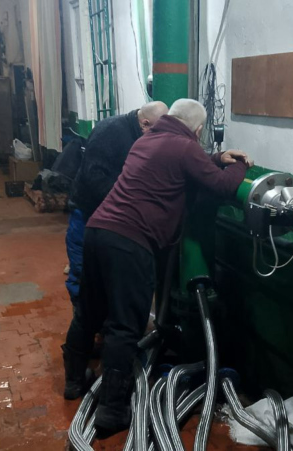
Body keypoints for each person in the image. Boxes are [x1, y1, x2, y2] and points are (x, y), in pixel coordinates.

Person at [68, 98, 253, 433]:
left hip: (97, 230)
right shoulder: (185, 146)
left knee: (89, 311)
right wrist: (239, 164)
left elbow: (176, 164)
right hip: (130, 241)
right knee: (125, 326)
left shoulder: (146, 140)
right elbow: (223, 186)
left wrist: (214, 159)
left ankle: (73, 381)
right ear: (198, 129)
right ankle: (112, 411)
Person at [62, 101, 168, 400]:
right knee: (89, 295)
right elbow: (95, 179)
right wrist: (131, 210)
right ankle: (83, 381)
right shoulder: (110, 132)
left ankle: (92, 359)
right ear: (145, 124)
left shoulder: (144, 135)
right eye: (157, 131)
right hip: (90, 220)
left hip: (107, 227)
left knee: (104, 304)